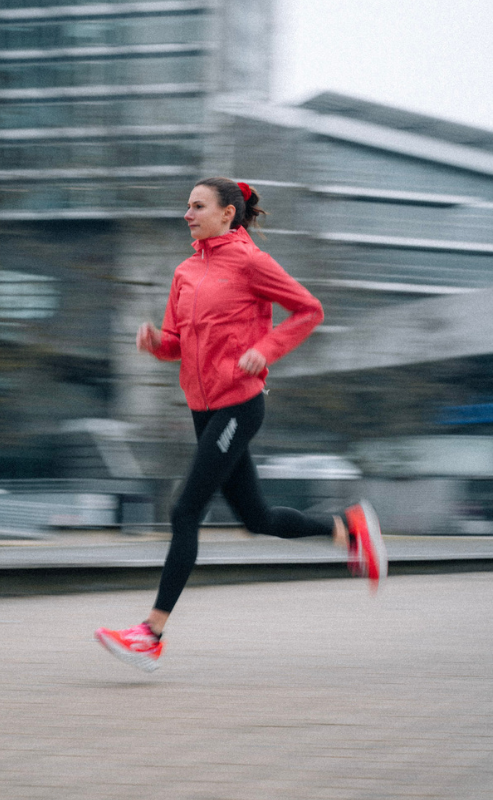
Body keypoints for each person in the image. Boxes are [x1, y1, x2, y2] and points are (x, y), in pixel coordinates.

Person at [95, 177, 387, 672]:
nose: (187, 213)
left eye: (198, 205)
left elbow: (308, 310)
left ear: (228, 213)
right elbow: (176, 341)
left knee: (185, 510)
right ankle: (349, 528)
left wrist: (264, 349)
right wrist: (156, 345)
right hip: (202, 408)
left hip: (239, 404)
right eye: (186, 204)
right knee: (257, 518)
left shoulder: (250, 261)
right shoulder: (185, 271)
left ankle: (150, 633)